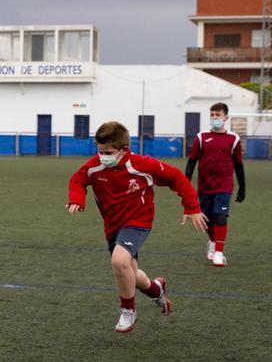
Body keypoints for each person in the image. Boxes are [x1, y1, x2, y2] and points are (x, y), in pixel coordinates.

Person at [67, 121, 207, 333]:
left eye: (108, 152)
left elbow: (176, 177)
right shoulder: (95, 165)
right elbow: (77, 179)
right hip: (112, 226)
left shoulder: (141, 164)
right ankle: (156, 289)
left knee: (119, 261)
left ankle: (128, 311)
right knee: (130, 271)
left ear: (124, 150)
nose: (103, 156)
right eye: (99, 151)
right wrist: (77, 198)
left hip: (138, 222)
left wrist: (192, 207)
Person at [185, 102, 246, 267]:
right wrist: (185, 183)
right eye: (212, 115)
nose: (214, 118)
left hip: (224, 185)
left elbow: (238, 165)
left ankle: (219, 252)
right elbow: (192, 162)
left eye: (217, 115)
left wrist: (242, 187)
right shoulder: (201, 137)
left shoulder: (233, 139)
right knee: (207, 219)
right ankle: (212, 241)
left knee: (220, 216)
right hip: (205, 185)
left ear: (226, 117)